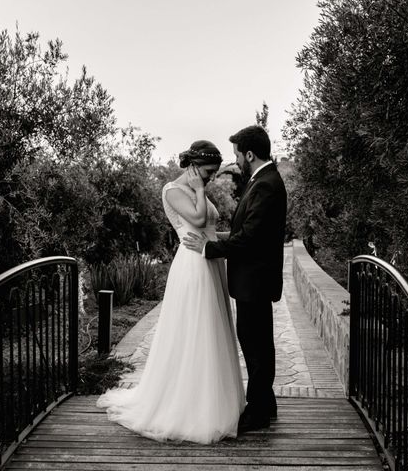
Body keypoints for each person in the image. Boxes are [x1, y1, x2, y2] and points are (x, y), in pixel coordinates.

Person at [96, 140, 245, 444]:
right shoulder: (173, 190)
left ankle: (214, 401)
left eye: (214, 174)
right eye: (207, 172)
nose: (210, 178)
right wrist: (201, 190)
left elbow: (211, 230)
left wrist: (238, 240)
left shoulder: (196, 188)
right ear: (193, 166)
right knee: (195, 331)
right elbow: (200, 220)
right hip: (193, 265)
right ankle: (189, 409)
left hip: (211, 261)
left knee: (212, 331)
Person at [184, 125, 287, 434]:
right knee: (258, 344)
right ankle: (265, 404)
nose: (236, 161)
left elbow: (251, 238)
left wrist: (209, 248)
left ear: (250, 154)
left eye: (238, 155)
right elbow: (248, 232)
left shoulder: (266, 184)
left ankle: (257, 413)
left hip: (254, 280)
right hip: (254, 280)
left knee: (255, 346)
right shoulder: (262, 181)